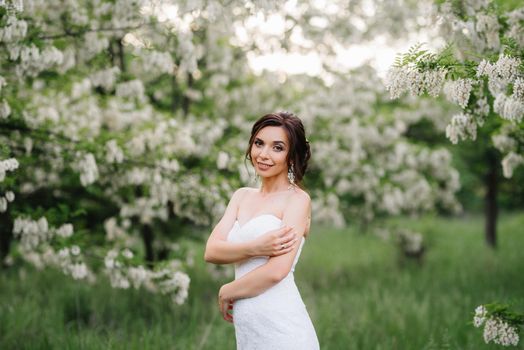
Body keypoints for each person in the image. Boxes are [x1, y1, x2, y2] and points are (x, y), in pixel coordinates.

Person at [204, 111, 320, 349]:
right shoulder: (241, 196)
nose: (264, 154)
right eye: (259, 143)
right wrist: (255, 247)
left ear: (291, 155)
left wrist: (228, 290)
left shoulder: (297, 200)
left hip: (283, 328)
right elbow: (212, 251)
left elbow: (277, 270)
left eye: (277, 147)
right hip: (248, 330)